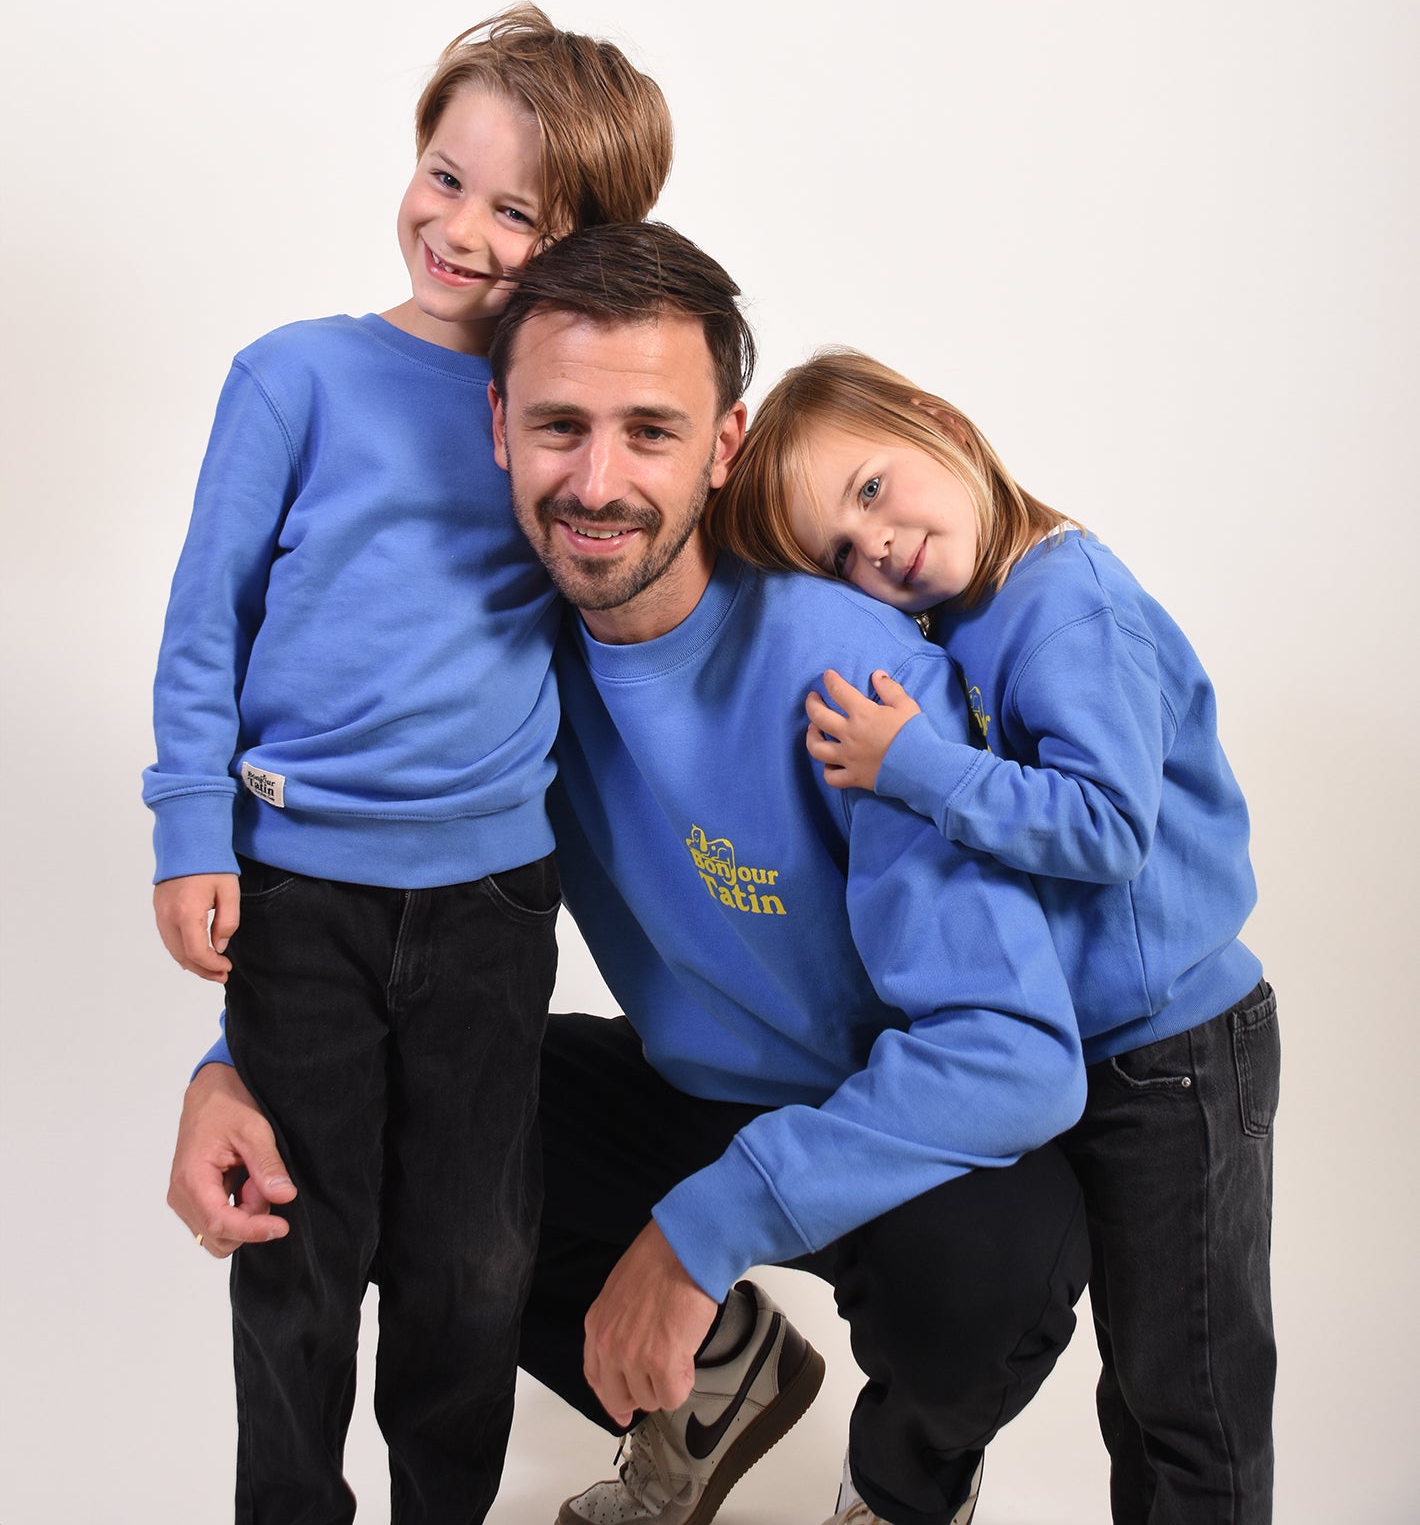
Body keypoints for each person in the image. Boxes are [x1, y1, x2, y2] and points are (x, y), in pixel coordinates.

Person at [171, 223, 1092, 1525]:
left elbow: (1016, 1055)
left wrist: (697, 1233)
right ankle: (717, 1385)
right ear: (497, 426)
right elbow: (370, 873)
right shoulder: (502, 662)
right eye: (560, 427)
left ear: (725, 445)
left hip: (911, 1119)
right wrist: (232, 1066)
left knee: (990, 1274)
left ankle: (897, 1489)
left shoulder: (858, 675)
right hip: (694, 1093)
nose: (597, 482)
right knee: (362, 1136)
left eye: (651, 432)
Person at [144, 9, 673, 1525]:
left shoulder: (562, 423)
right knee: (302, 1252)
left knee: (472, 1264)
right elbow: (207, 622)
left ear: (586, 243)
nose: (463, 228)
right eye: (448, 178)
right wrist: (191, 829)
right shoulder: (293, 378)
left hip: (496, 906)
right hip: (300, 889)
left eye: (519, 211)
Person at [709, 346, 1281, 1524]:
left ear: (933, 419)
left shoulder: (1067, 600)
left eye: (871, 490)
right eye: (841, 556)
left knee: (1189, 1382)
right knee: (1131, 1378)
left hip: (1178, 1050)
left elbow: (1107, 824)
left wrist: (917, 766)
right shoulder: (956, 612)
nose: (881, 547)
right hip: (1087, 1052)